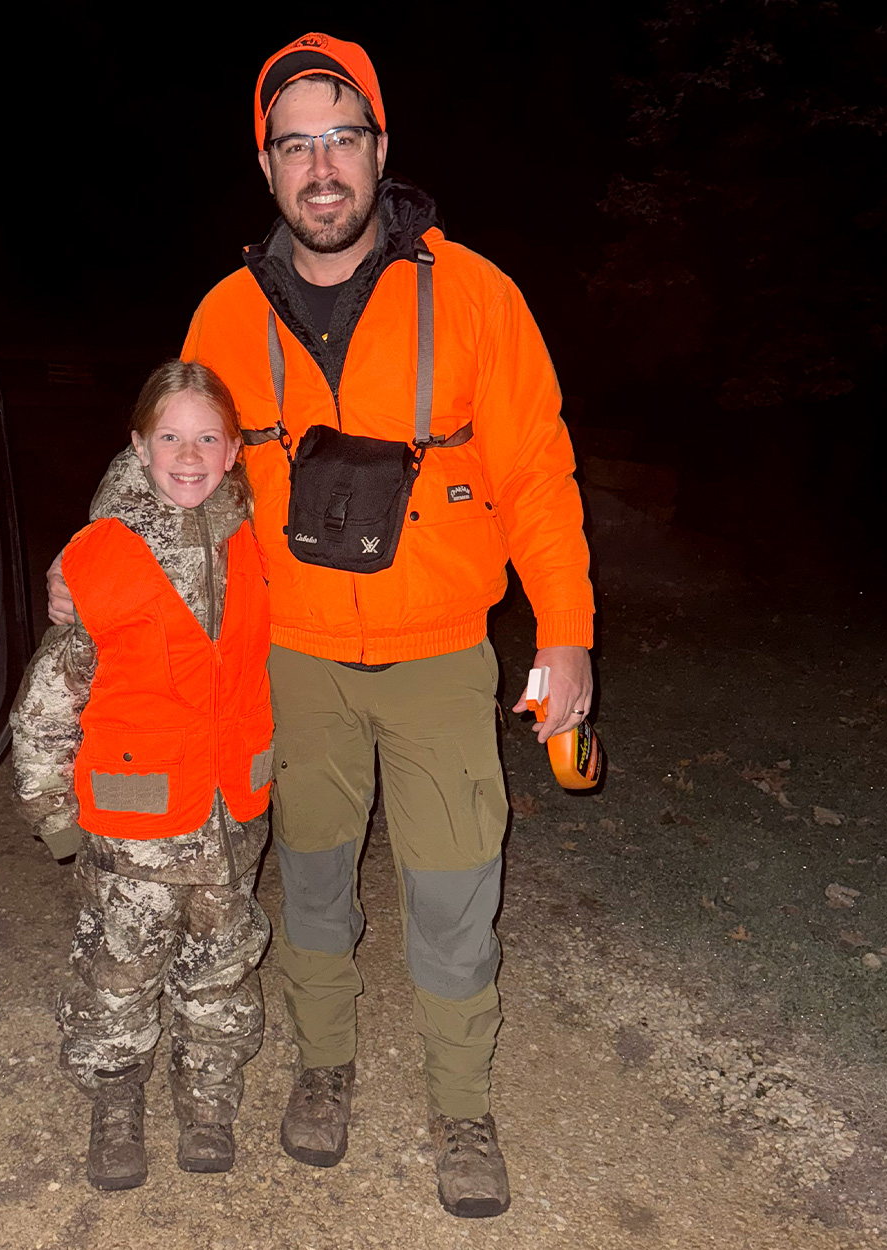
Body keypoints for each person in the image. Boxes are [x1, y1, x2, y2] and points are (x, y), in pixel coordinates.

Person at [47, 33, 595, 1219]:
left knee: (454, 891)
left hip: (445, 652)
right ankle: (322, 1066)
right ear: (267, 168)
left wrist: (566, 632)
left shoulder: (479, 296)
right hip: (288, 657)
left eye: (340, 137)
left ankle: (461, 1104)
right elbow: (166, 455)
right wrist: (84, 558)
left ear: (380, 149)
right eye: (294, 145)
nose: (321, 166)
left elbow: (539, 473)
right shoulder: (226, 312)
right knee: (305, 887)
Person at [12, 360, 275, 1191]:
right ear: (138, 445)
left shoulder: (257, 543)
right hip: (133, 830)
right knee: (119, 974)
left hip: (233, 816)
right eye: (170, 437)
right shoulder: (97, 556)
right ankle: (114, 1101)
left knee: (221, 970)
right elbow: (48, 702)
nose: (188, 455)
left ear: (234, 450)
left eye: (207, 438)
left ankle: (208, 1101)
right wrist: (53, 811)